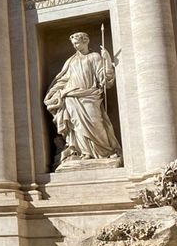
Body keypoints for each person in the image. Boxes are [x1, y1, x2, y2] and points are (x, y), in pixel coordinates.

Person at [44, 32, 120, 163]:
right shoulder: (71, 61)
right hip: (71, 96)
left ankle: (105, 151)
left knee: (96, 122)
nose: (75, 46)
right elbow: (63, 79)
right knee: (77, 125)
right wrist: (53, 92)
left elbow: (104, 79)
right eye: (73, 44)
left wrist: (107, 61)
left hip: (90, 95)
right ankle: (84, 152)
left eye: (77, 43)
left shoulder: (94, 57)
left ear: (85, 41)